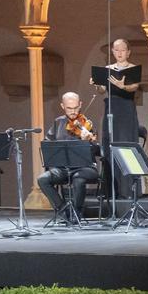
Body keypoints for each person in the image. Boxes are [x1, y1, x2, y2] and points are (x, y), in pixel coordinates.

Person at [36, 91, 98, 222]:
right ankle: (63, 210)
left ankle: (77, 212)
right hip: (63, 168)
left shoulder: (86, 124)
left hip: (85, 168)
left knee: (78, 178)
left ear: (80, 105)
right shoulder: (58, 123)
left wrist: (88, 141)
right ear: (62, 106)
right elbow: (48, 144)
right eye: (69, 108)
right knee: (43, 179)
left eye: (76, 107)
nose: (73, 112)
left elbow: (97, 150)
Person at [104, 37, 141, 144]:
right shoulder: (107, 69)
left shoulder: (133, 68)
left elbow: (135, 86)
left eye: (123, 50)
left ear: (128, 52)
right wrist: (97, 84)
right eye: (116, 50)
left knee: (126, 137)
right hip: (111, 108)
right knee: (111, 137)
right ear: (112, 51)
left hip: (126, 107)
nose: (119, 53)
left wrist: (123, 87)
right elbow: (101, 90)